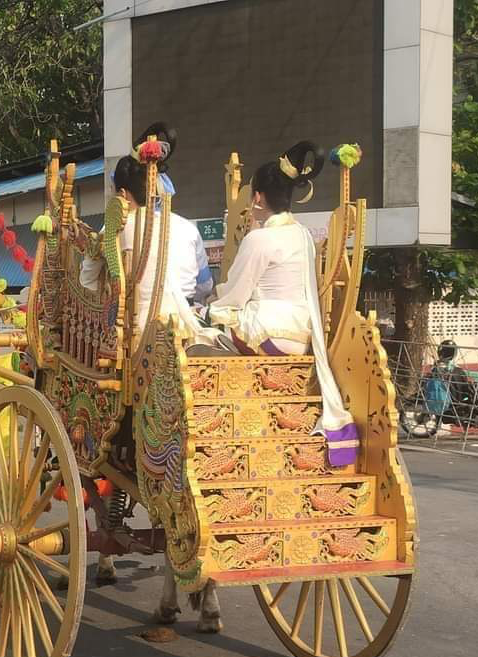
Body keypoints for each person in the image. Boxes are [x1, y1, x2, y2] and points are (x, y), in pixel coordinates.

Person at [203, 140, 356, 465]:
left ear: (257, 198)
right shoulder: (302, 235)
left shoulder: (259, 239)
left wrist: (205, 311)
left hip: (270, 335)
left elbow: (234, 296)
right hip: (304, 336)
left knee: (203, 323)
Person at [79, 122, 201, 340]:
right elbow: (205, 285)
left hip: (137, 330)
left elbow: (87, 282)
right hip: (184, 323)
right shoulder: (183, 226)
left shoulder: (115, 226)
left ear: (123, 193)